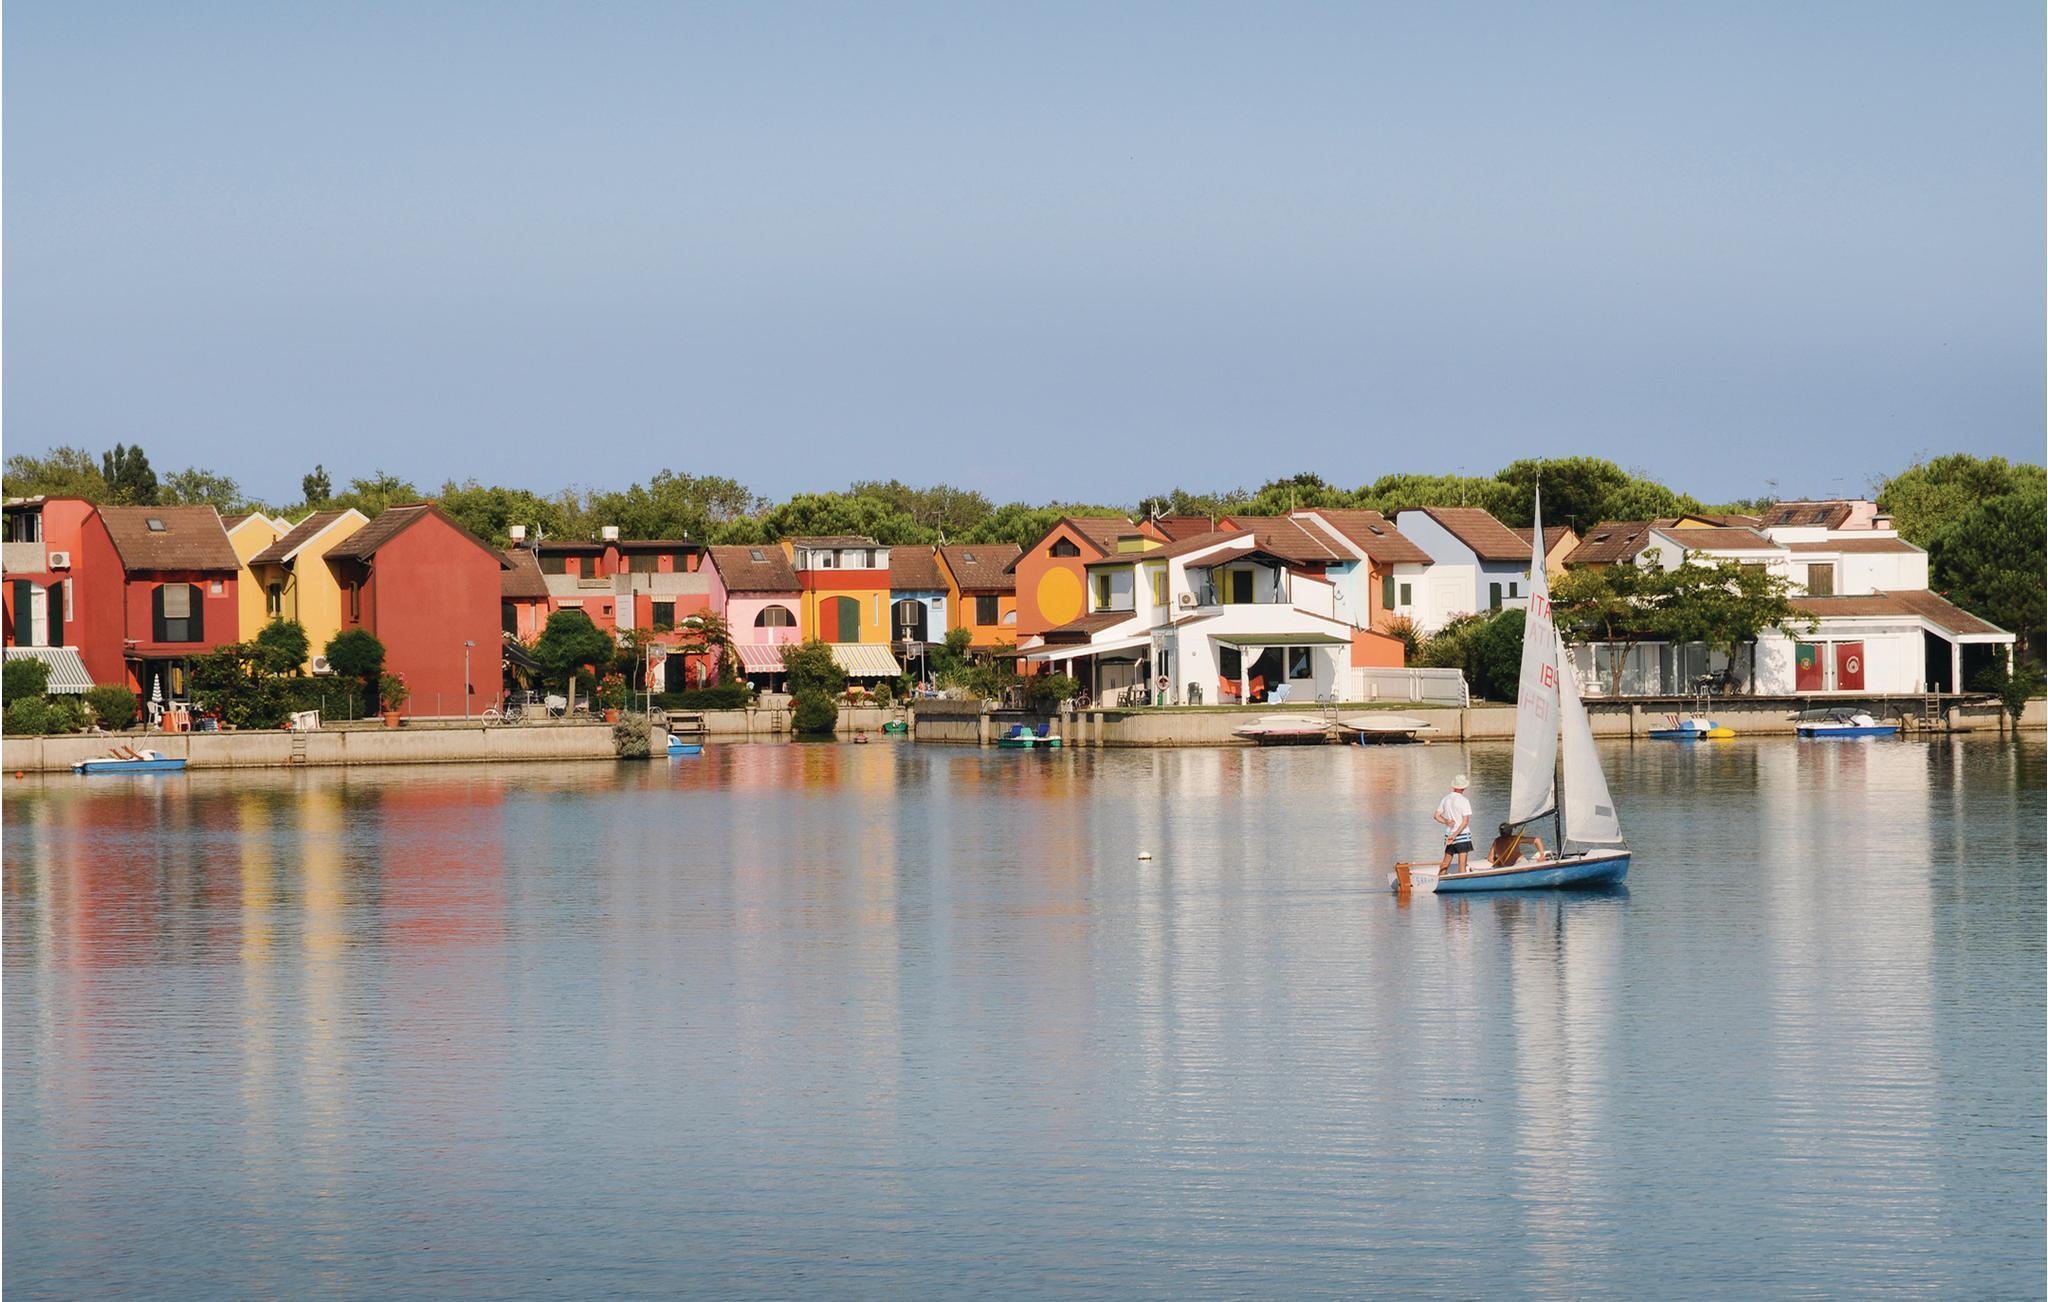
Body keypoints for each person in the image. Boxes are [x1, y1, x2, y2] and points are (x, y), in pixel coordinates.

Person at [1435, 775, 1475, 874]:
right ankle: (1462, 882)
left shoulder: (1446, 798)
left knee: (1445, 864)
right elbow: (1465, 822)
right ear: (1464, 788)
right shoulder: (1464, 800)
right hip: (1462, 835)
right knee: (1462, 865)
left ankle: (1439, 879)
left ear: (1454, 786)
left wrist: (1446, 821)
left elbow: (1436, 816)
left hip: (1449, 835)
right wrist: (1455, 835)